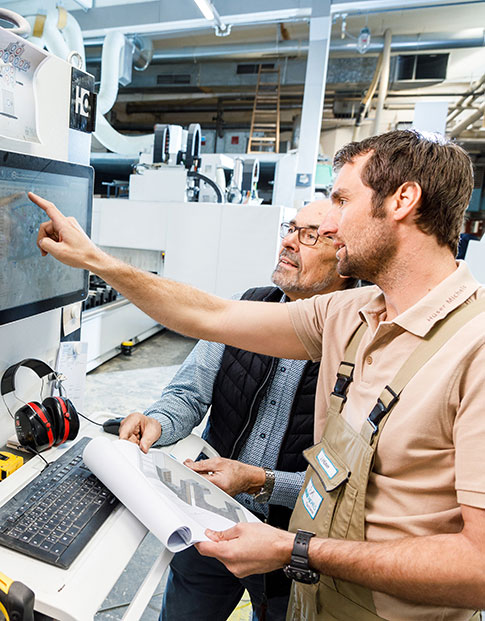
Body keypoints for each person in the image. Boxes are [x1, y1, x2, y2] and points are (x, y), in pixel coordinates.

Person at [30, 130, 485, 621]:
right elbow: (210, 316)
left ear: (403, 200)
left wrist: (296, 547)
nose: (332, 223)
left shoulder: (473, 348)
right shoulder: (352, 314)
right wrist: (94, 259)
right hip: (315, 600)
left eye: (342, 200)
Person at [118, 200, 356, 621]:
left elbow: (348, 481)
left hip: (287, 544)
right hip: (207, 518)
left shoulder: (360, 345)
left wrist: (262, 483)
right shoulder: (246, 308)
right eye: (290, 228)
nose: (287, 242)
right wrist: (158, 421)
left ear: (345, 256)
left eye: (309, 234)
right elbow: (189, 392)